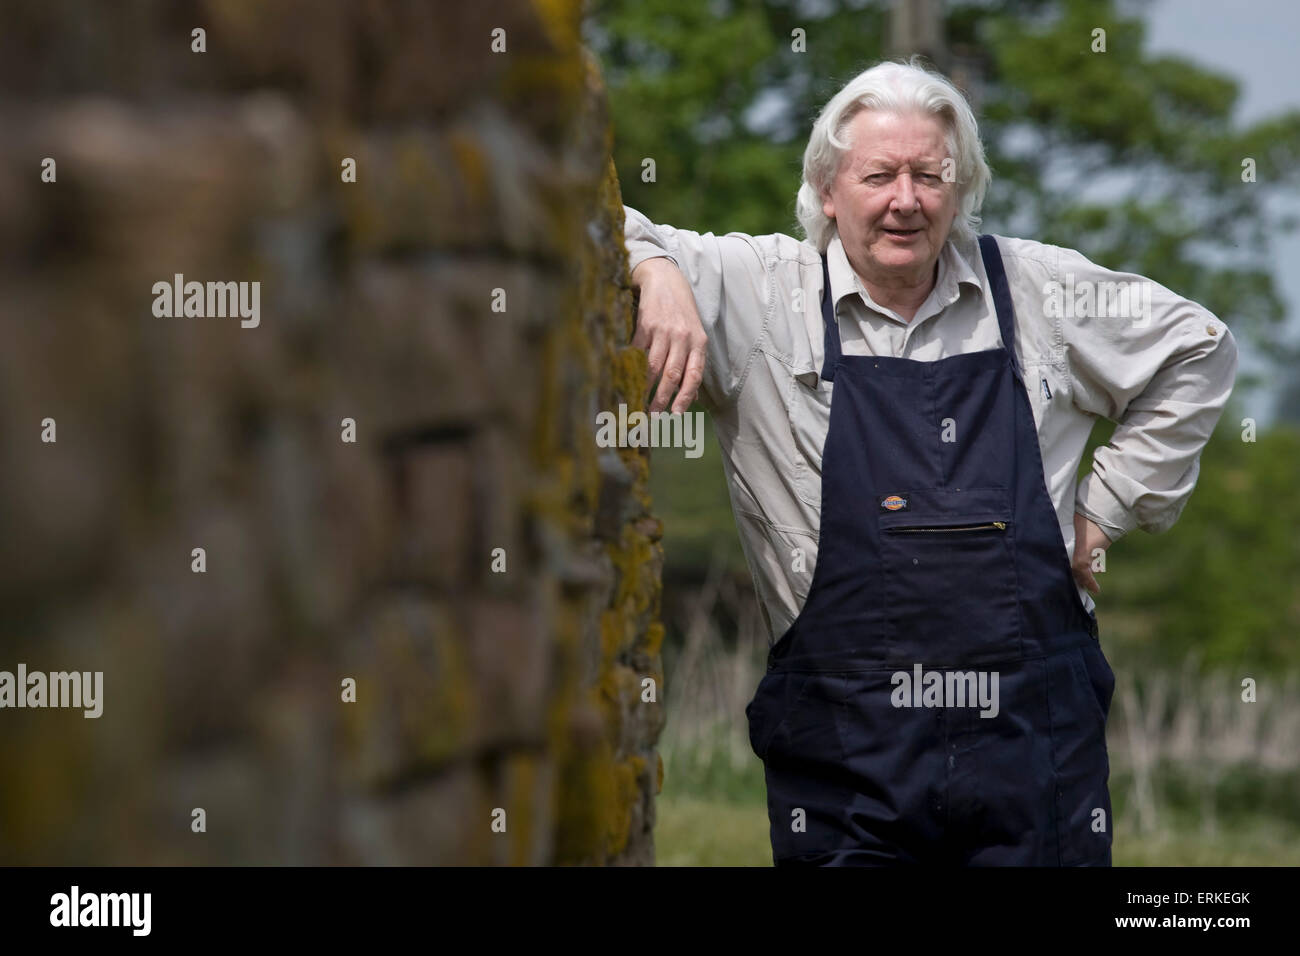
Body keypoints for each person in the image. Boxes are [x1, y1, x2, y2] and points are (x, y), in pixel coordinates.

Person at [623, 58, 1238, 865]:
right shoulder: (761, 288)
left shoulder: (1041, 287)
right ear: (827, 187)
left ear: (962, 187)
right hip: (845, 760)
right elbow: (593, 222)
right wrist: (655, 267)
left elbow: (1198, 347)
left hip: (1034, 754)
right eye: (878, 174)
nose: (905, 200)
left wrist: (1105, 511)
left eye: (930, 175)